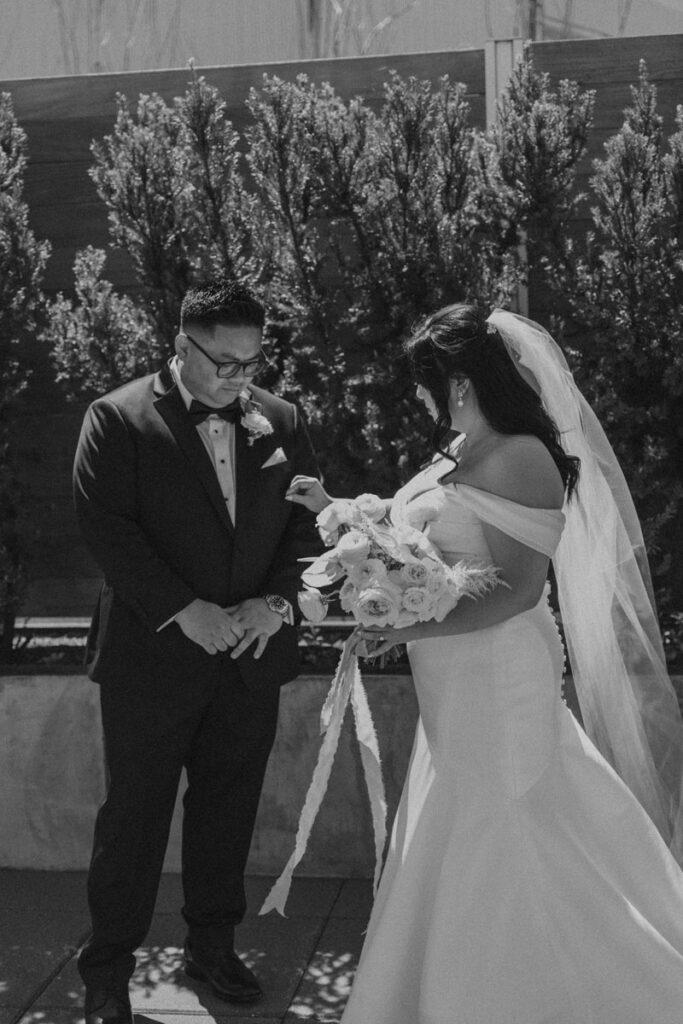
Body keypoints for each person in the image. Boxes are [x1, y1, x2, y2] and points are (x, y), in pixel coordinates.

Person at [287, 303, 683, 1024]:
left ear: (461, 382)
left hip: (499, 673)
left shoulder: (522, 454)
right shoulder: (456, 448)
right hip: (452, 674)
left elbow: (517, 590)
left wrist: (407, 629)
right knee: (471, 810)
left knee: (508, 816)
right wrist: (347, 527)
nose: (418, 397)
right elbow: (420, 541)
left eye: (425, 383)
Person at [73, 281, 321, 1024]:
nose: (238, 378)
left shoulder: (281, 419)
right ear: (181, 345)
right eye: (223, 362)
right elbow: (108, 530)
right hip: (151, 660)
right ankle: (108, 968)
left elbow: (308, 528)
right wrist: (187, 611)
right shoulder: (116, 417)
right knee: (134, 817)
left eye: (251, 362)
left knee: (228, 809)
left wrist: (275, 606)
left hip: (250, 657)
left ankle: (211, 947)